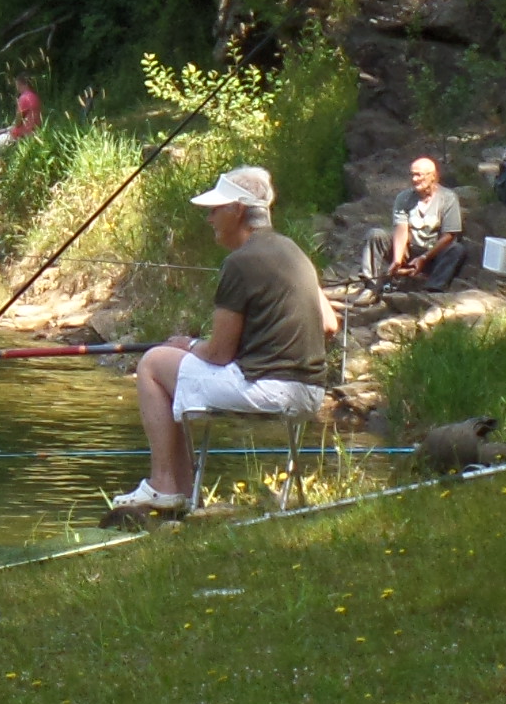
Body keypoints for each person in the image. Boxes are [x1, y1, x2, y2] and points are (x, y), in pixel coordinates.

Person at [112, 165, 340, 518]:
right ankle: (179, 492)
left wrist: (186, 345)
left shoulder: (240, 262)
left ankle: (163, 485)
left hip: (268, 390)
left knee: (154, 363)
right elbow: (329, 323)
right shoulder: (294, 251)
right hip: (310, 392)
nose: (210, 219)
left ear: (237, 210)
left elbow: (218, 354)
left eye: (215, 210)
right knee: (172, 364)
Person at [378, 153, 467, 290]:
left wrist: (424, 257)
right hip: (410, 249)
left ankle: (434, 289)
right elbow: (401, 229)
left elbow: (449, 236)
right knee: (376, 235)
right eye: (412, 175)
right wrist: (397, 258)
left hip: (434, 253)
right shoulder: (404, 198)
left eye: (419, 175)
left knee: (457, 249)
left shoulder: (448, 198)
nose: (414, 179)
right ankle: (370, 286)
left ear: (433, 176)